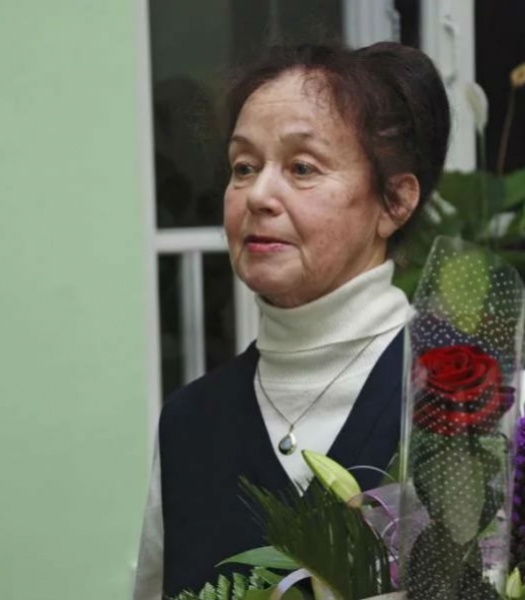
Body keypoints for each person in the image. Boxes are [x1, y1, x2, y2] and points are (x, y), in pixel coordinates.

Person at [133, 41, 451, 600]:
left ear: (394, 202)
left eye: (302, 168)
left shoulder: (481, 401)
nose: (258, 195)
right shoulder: (188, 426)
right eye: (244, 167)